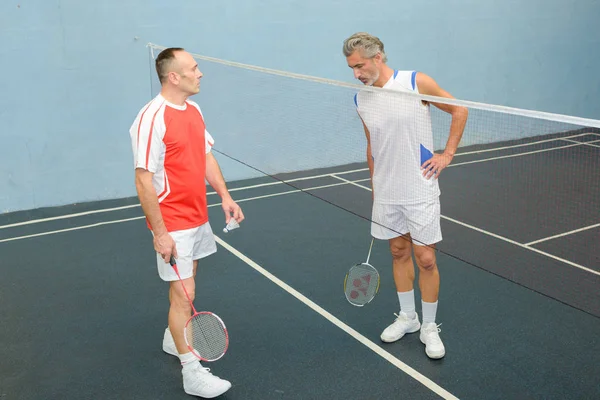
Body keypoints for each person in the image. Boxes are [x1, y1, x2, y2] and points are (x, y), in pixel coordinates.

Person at [342, 32, 468, 359]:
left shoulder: (415, 82)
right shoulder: (362, 98)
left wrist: (447, 154)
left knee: (426, 258)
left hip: (419, 188)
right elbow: (373, 147)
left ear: (378, 57)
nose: (356, 73)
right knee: (398, 253)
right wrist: (375, 188)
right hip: (387, 191)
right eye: (351, 68)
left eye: (360, 65)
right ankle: (408, 317)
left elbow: (459, 110)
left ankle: (429, 326)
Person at [129, 47, 244, 398]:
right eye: (194, 68)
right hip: (173, 220)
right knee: (185, 294)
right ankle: (191, 371)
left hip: (197, 214)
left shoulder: (193, 110)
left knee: (186, 287)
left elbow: (205, 155)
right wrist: (160, 233)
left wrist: (225, 196)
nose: (200, 73)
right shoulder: (152, 118)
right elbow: (143, 179)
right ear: (174, 76)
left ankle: (172, 336)